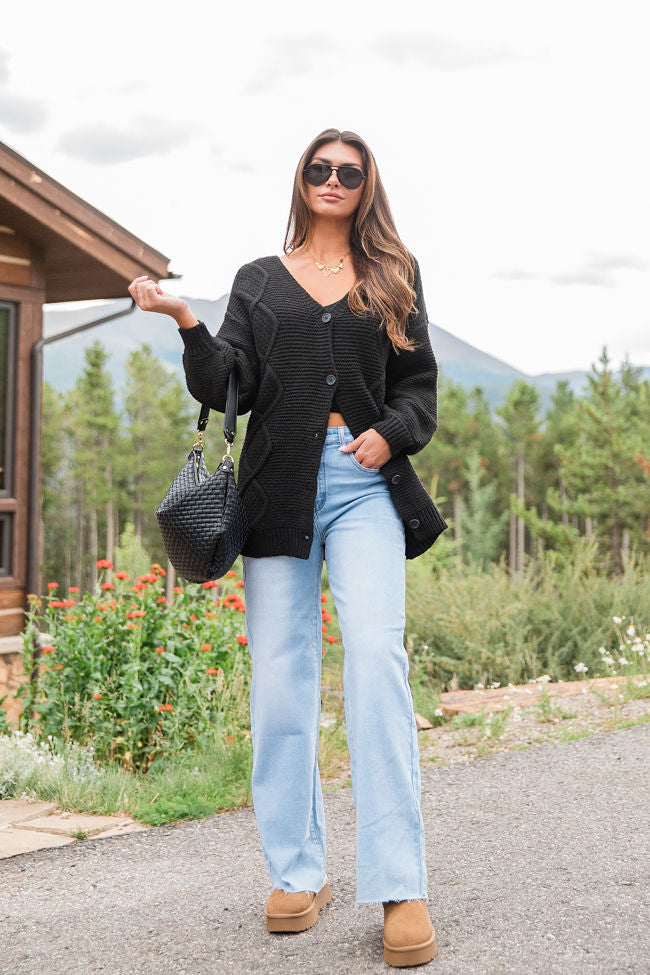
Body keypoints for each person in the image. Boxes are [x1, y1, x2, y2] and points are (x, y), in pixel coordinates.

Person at [128, 127, 447, 968]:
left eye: (349, 171)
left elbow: (420, 389)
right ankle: (298, 872)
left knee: (376, 660)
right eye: (319, 168)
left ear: (367, 185)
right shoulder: (259, 281)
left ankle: (401, 884)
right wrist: (185, 319)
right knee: (279, 676)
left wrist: (390, 433)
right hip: (275, 493)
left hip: (366, 486)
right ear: (302, 179)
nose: (333, 179)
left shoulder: (394, 275)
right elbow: (225, 381)